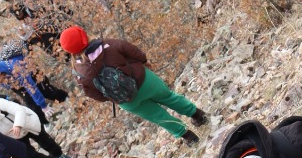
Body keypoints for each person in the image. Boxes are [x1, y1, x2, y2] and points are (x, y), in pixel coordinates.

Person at [58, 28, 208, 144]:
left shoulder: (79, 73)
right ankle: (198, 116)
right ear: (85, 35)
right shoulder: (107, 44)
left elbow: (93, 94)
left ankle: (189, 137)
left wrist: (112, 96)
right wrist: (144, 61)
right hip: (143, 80)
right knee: (169, 98)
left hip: (127, 100)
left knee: (158, 116)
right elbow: (132, 50)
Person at [0, 43, 67, 158]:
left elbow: (31, 87)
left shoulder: (16, 68)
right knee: (30, 103)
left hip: (31, 73)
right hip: (16, 85)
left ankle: (65, 98)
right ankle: (44, 122)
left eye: (0, 77)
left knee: (46, 91)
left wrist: (44, 106)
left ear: (3, 72)